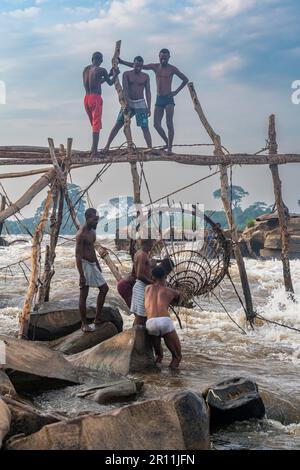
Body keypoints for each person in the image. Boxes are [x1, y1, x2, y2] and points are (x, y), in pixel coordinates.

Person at [119, 49, 188, 154]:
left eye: (165, 57)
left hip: (169, 98)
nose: (163, 59)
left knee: (169, 123)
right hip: (159, 98)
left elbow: (185, 79)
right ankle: (167, 142)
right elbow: (138, 66)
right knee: (156, 124)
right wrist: (122, 62)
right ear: (159, 57)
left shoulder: (172, 69)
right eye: (161, 57)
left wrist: (176, 92)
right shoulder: (155, 67)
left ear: (169, 57)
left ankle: (169, 148)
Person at [104, 56, 152, 150]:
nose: (138, 67)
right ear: (133, 64)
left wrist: (149, 107)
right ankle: (107, 146)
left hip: (140, 103)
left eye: (140, 66)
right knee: (118, 124)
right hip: (128, 101)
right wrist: (127, 103)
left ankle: (150, 148)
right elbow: (125, 89)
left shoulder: (145, 76)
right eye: (137, 65)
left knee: (145, 127)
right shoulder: (127, 74)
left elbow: (148, 92)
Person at [75, 208, 109, 332]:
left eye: (97, 220)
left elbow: (92, 249)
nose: (96, 222)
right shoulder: (81, 234)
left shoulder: (92, 232)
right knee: (84, 294)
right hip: (84, 265)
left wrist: (97, 264)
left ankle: (97, 318)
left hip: (92, 263)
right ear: (88, 218)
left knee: (104, 288)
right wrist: (81, 275)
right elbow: (78, 256)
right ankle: (83, 324)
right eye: (95, 220)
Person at [144, 266, 182, 370]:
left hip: (150, 323)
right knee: (177, 357)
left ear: (153, 277)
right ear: (165, 276)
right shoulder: (171, 291)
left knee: (159, 355)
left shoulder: (147, 288)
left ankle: (157, 375)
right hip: (165, 321)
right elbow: (179, 299)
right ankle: (173, 380)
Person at [83, 52, 118, 156]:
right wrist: (115, 74)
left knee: (94, 125)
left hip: (86, 98)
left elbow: (97, 82)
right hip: (95, 98)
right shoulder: (101, 70)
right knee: (96, 125)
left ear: (92, 59)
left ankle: (93, 149)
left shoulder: (86, 69)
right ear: (101, 60)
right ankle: (94, 152)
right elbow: (111, 83)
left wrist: (110, 75)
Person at [130, 239, 154, 326]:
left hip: (141, 287)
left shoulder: (140, 253)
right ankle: (134, 337)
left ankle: (136, 336)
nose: (152, 246)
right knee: (140, 317)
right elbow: (139, 275)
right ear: (147, 242)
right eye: (152, 243)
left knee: (142, 317)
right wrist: (152, 283)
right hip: (141, 287)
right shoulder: (143, 255)